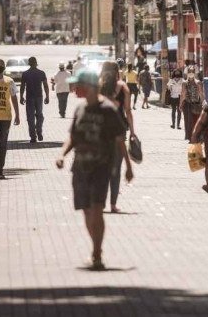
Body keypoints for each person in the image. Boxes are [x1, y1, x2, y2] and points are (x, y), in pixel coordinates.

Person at [55, 68, 132, 270]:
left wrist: (129, 166)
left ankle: (97, 253)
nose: (73, 90)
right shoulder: (80, 109)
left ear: (88, 87)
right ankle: (96, 247)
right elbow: (73, 136)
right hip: (80, 167)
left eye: (77, 86)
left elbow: (119, 139)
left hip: (101, 166)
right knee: (86, 210)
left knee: (97, 208)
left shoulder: (108, 109)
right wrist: (62, 154)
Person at [100, 61, 136, 213]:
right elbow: (127, 110)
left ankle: (100, 203)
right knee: (115, 168)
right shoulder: (122, 87)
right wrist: (132, 131)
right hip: (119, 130)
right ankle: (113, 204)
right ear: (117, 72)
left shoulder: (98, 86)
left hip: (100, 131)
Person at [20, 57, 49, 143]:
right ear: (36, 63)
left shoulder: (25, 74)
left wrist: (21, 97)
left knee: (30, 117)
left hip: (30, 98)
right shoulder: (41, 73)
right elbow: (45, 86)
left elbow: (22, 86)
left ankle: (33, 137)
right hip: (39, 98)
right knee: (39, 115)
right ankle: (39, 131)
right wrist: (47, 96)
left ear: (29, 63)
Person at [179, 67, 204, 141]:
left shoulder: (198, 82)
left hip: (195, 104)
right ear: (187, 73)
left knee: (195, 121)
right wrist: (181, 104)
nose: (191, 73)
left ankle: (195, 136)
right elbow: (183, 94)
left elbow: (201, 94)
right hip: (188, 105)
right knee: (189, 121)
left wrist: (203, 102)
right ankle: (191, 136)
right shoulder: (185, 83)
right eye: (189, 71)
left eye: (192, 71)